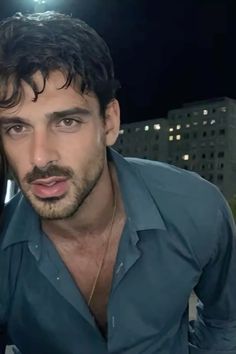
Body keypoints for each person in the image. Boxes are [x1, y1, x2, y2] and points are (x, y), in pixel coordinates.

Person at [0, 11, 235, 354]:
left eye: (66, 122)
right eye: (16, 128)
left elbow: (227, 318)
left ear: (109, 122)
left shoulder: (195, 207)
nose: (39, 158)